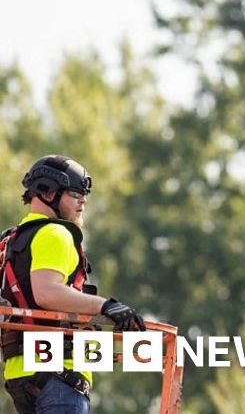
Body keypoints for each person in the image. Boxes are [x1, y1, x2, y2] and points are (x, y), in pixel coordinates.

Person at [2, 155, 146, 414]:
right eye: (74, 193)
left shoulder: (9, 244)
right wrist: (106, 306)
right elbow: (47, 292)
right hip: (59, 375)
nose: (83, 201)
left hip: (19, 375)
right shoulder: (55, 233)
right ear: (48, 193)